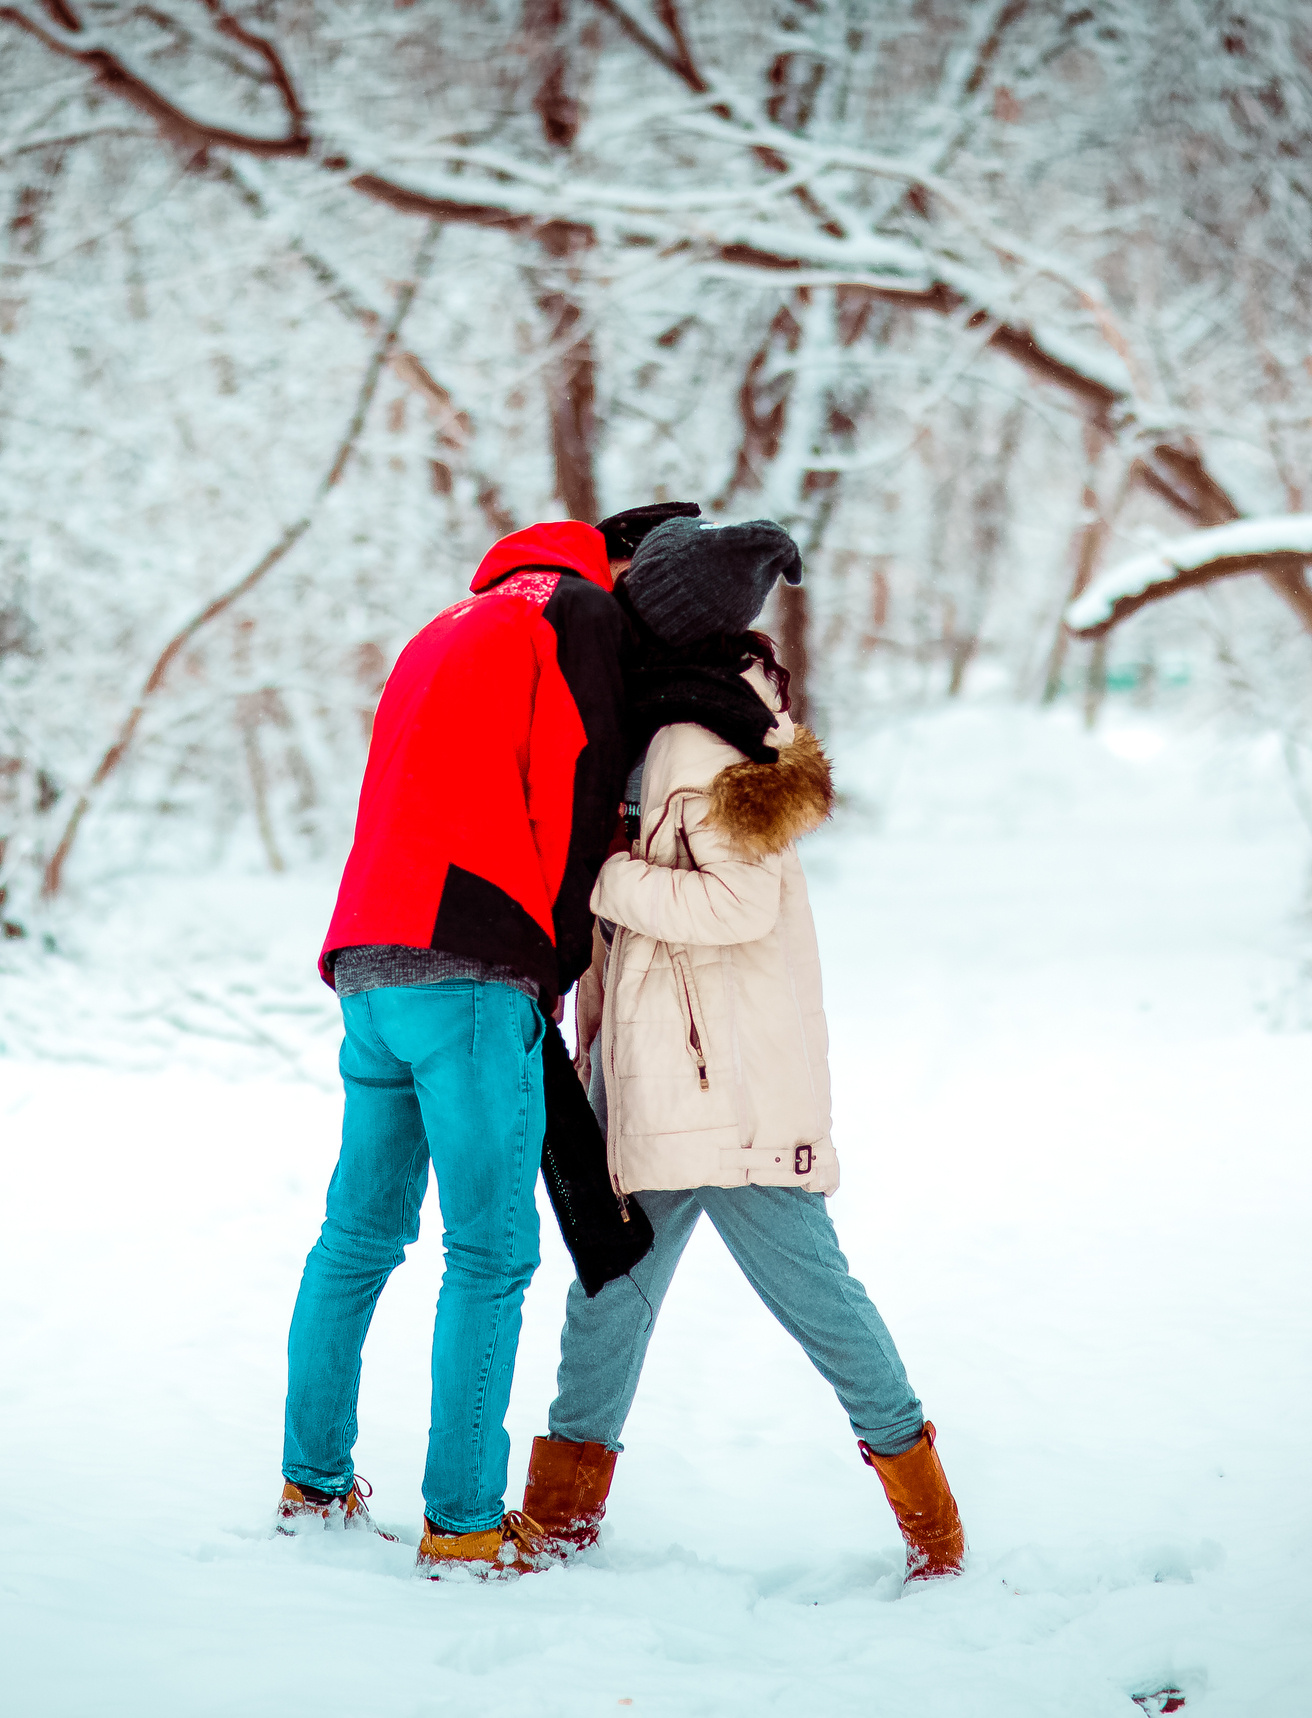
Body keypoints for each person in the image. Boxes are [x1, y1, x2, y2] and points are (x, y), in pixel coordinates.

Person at [514, 516, 967, 1582]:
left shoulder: (696, 741)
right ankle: (560, 1520)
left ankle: (934, 1529)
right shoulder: (698, 719)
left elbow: (736, 902)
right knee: (607, 1299)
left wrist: (596, 873)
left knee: (816, 1302)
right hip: (674, 1081)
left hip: (720, 1092)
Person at [278, 505, 695, 1579]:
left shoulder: (447, 623)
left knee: (358, 1236)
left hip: (369, 952)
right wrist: (558, 956)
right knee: (491, 1250)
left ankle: (312, 1481)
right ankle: (463, 1519)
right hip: (469, 960)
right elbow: (581, 775)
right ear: (614, 566)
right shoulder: (575, 612)